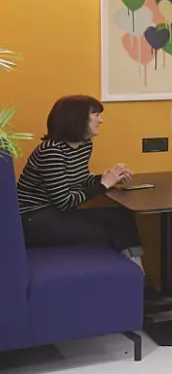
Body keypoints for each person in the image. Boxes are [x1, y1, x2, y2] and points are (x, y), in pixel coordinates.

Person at [17, 95, 143, 265]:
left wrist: (110, 179)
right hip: (35, 220)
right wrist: (103, 185)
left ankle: (138, 276)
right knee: (113, 231)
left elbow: (80, 178)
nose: (101, 120)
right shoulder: (51, 151)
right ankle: (138, 281)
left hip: (59, 215)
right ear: (78, 119)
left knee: (122, 217)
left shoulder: (84, 145)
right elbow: (64, 201)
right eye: (96, 115)